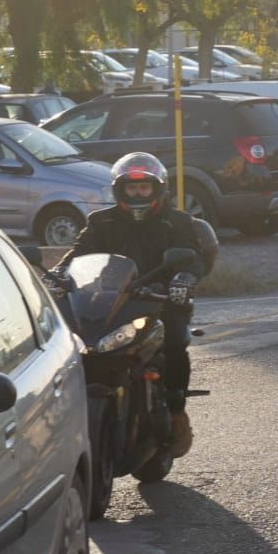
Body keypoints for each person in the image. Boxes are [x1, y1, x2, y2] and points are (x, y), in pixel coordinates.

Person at [58, 153, 217, 457]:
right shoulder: (101, 221)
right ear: (120, 189)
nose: (138, 194)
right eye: (132, 189)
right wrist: (56, 276)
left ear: (158, 189)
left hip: (162, 298)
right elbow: (77, 255)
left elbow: (193, 258)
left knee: (174, 342)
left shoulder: (178, 222)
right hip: (111, 298)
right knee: (72, 342)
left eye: (144, 188)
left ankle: (175, 412)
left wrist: (183, 279)